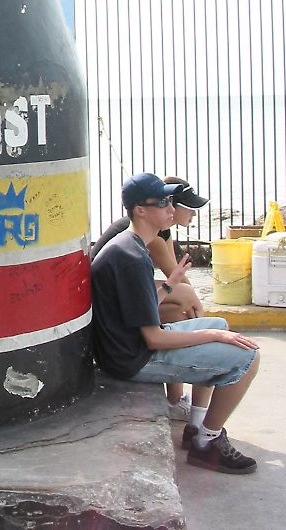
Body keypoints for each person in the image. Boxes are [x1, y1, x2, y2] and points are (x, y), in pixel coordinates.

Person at [91, 172, 260, 474]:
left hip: (128, 346)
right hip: (132, 358)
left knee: (221, 325)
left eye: (170, 201)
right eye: (162, 203)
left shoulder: (130, 245)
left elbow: (141, 310)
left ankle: (196, 425)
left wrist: (169, 285)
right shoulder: (132, 257)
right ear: (140, 210)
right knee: (248, 357)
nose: (171, 208)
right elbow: (154, 338)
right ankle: (207, 443)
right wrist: (212, 336)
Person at [91, 175, 208, 418]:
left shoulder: (159, 229)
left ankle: (176, 399)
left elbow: (174, 275)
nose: (192, 214)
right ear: (142, 210)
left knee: (181, 313)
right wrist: (206, 328)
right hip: (115, 313)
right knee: (187, 300)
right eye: (188, 208)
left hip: (122, 298)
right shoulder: (144, 237)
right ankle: (181, 404)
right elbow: (173, 275)